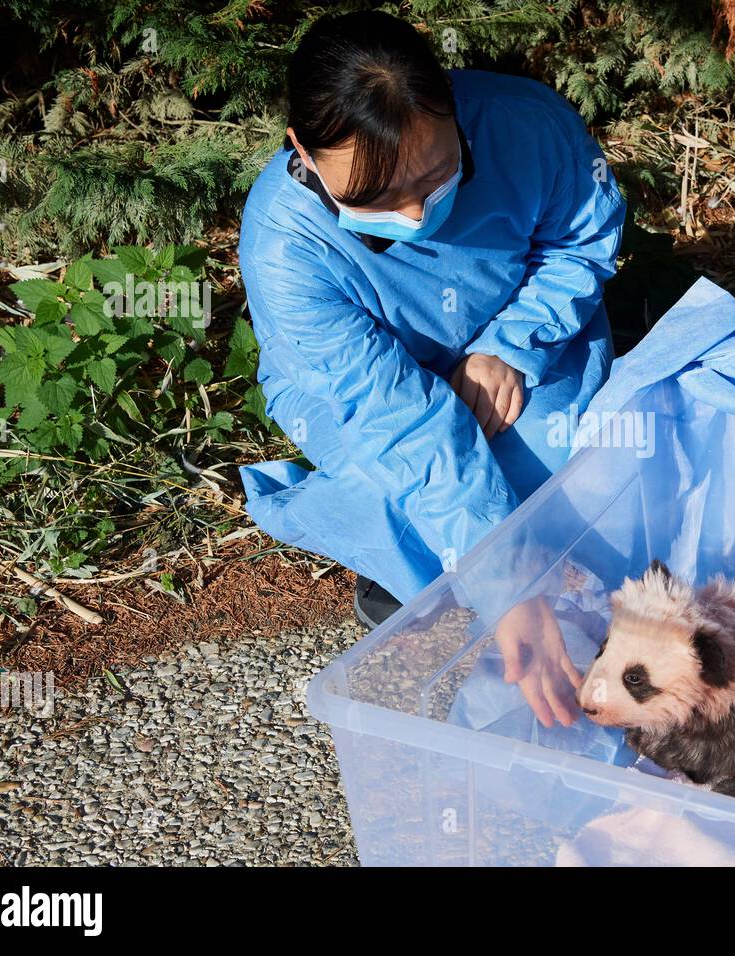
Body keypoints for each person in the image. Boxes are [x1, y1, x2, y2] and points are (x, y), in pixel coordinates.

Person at [237, 11, 625, 726]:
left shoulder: (525, 123)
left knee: (557, 467)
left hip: (510, 341)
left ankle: (443, 569)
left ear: (452, 102)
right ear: (302, 150)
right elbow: (398, 419)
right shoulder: (283, 249)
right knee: (406, 481)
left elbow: (582, 240)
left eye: (440, 173)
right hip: (354, 389)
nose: (417, 215)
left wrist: (514, 342)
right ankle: (444, 572)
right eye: (375, 199)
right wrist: (510, 582)